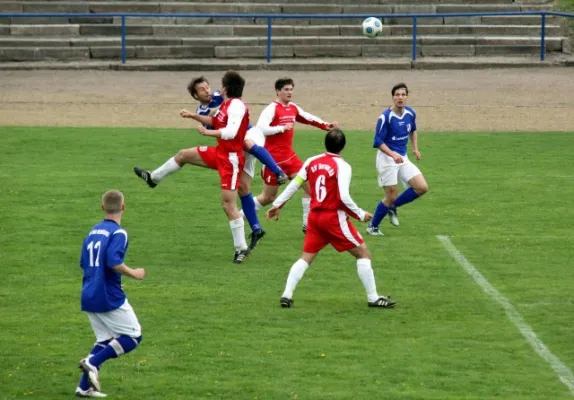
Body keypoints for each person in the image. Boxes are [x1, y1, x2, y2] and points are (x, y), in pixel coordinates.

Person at [134, 75, 286, 251]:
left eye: (207, 87)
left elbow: (230, 105)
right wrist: (195, 116)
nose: (207, 90)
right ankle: (256, 229)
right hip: (234, 151)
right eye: (202, 89)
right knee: (243, 188)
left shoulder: (221, 97)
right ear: (195, 95)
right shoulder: (203, 112)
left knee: (246, 144)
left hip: (248, 135)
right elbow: (215, 123)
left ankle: (277, 170)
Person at [266, 128, 396, 309]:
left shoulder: (312, 161)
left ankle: (287, 294)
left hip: (314, 217)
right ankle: (373, 298)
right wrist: (360, 214)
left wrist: (277, 204)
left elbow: (295, 184)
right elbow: (343, 196)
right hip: (333, 218)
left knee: (306, 258)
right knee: (363, 253)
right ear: (343, 147)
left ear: (324, 144)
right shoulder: (343, 166)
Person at [245, 77, 338, 234]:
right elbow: (261, 128)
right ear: (278, 91)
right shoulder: (271, 109)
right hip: (272, 161)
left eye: (291, 89)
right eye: (286, 90)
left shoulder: (292, 108)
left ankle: (307, 225)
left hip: (290, 159)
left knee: (311, 188)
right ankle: (240, 216)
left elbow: (307, 117)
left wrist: (325, 125)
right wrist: (281, 128)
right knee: (268, 198)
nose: (289, 92)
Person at [76, 190, 146, 398]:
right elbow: (113, 262)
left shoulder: (93, 232)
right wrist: (134, 273)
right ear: (123, 207)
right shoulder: (119, 233)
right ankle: (92, 362)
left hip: (88, 293)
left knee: (104, 340)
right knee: (133, 336)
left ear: (102, 208)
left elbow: (83, 263)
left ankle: (84, 387)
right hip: (108, 295)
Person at [366, 82, 429, 236]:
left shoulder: (410, 113)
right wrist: (393, 155)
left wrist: (415, 149)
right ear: (393, 97)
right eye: (397, 95)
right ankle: (372, 227)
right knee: (391, 195)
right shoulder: (385, 117)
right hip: (387, 159)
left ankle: (393, 207)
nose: (400, 98)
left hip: (402, 158)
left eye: (403, 95)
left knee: (421, 187)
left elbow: (413, 130)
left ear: (407, 97)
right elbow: (377, 142)